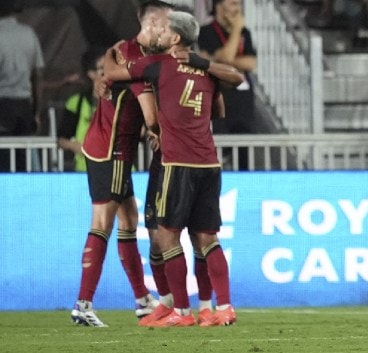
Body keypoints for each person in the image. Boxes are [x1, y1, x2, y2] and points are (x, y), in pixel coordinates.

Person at [104, 10, 243, 327]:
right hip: (209, 163)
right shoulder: (207, 70)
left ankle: (181, 312)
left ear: (175, 38)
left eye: (164, 30)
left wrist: (110, 54)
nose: (160, 33)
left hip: (176, 163)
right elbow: (220, 107)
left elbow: (114, 72)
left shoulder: (158, 65)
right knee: (207, 239)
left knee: (166, 238)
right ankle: (223, 307)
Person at [70, 0, 177, 328]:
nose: (170, 31)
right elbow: (148, 112)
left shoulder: (120, 48)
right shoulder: (139, 61)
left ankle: (142, 300)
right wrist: (160, 131)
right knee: (103, 221)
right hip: (113, 149)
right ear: (155, 22)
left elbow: (110, 75)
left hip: (106, 145)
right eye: (169, 24)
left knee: (129, 220)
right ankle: (83, 303)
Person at [197, 0, 258, 170]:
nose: (237, 9)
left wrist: (223, 59)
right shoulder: (206, 31)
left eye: (239, 4)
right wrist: (236, 30)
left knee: (244, 152)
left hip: (243, 103)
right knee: (219, 151)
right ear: (218, 6)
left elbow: (251, 63)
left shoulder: (246, 33)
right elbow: (227, 57)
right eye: (232, 3)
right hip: (221, 100)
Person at [0, 0, 44, 172]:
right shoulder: (29, 33)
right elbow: (38, 75)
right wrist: (36, 112)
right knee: (23, 157)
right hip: (24, 106)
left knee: (2, 157)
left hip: (2, 104)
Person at [57, 47, 106, 172]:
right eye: (102, 68)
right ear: (91, 73)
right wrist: (77, 147)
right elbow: (62, 139)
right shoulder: (76, 103)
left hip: (119, 170)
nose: (108, 72)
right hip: (84, 171)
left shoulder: (122, 99)